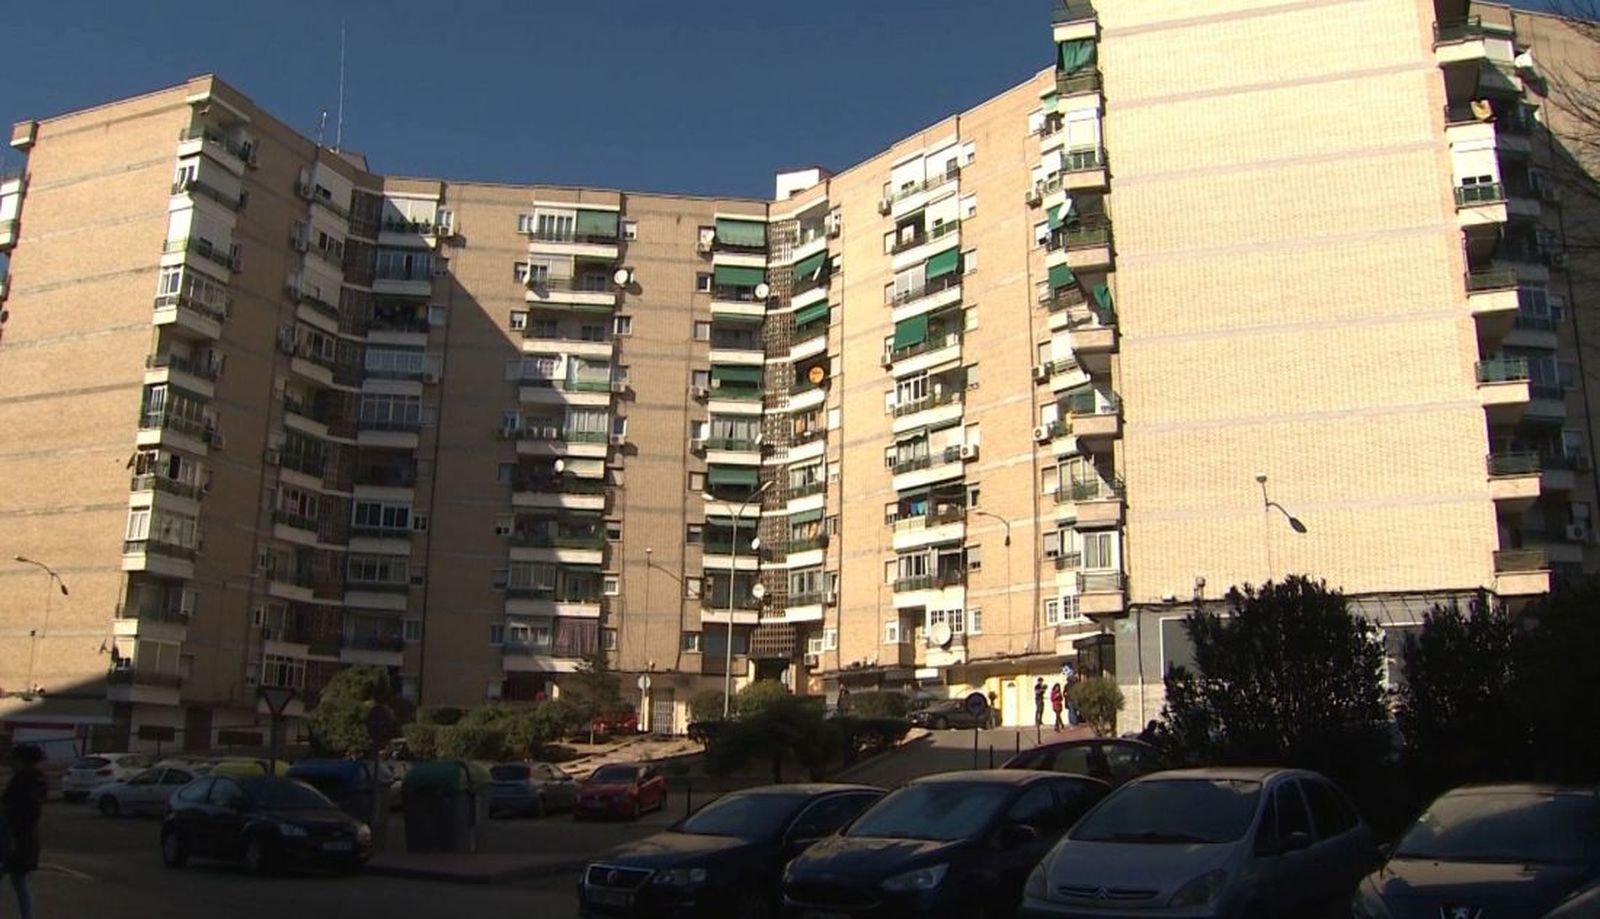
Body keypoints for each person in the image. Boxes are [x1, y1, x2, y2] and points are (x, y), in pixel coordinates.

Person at [1, 744, 46, 919]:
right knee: (19, 881)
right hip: (21, 841)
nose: (11, 762)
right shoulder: (29, 779)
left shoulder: (27, 782)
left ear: (22, 761)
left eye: (14, 758)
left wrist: (8, 815)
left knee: (18, 880)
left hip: (16, 841)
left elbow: (26, 811)